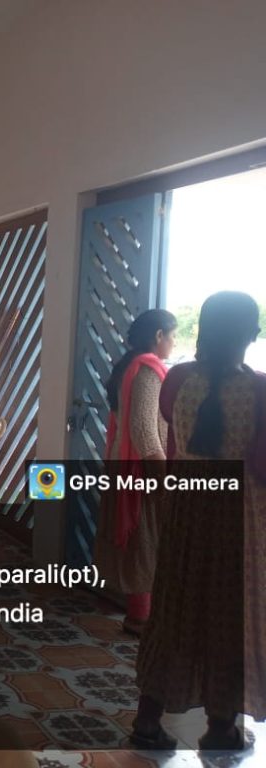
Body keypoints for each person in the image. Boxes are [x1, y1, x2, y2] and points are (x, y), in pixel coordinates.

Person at [132, 291, 265, 751]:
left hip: (185, 514)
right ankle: (221, 726)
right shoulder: (259, 390)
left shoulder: (178, 380)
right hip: (238, 522)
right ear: (251, 334)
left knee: (173, 615)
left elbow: (173, 432)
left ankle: (147, 720)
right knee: (228, 619)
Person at [93, 309, 176, 636]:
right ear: (158, 335)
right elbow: (143, 430)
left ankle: (138, 614)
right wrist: (162, 475)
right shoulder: (147, 371)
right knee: (144, 543)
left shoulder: (129, 366)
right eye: (172, 336)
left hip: (125, 466)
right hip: (141, 472)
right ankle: (141, 618)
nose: (173, 343)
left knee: (137, 542)